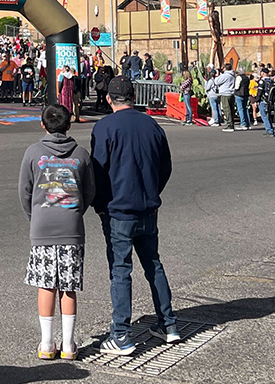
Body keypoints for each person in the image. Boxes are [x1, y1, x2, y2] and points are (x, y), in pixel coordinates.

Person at [91, 77, 179, 354]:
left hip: (118, 208)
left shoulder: (105, 127)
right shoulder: (152, 125)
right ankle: (169, 323)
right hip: (147, 205)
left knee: (120, 270)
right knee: (153, 264)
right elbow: (165, 166)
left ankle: (121, 333)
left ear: (109, 99)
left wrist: (100, 204)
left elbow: (98, 172)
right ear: (133, 96)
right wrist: (152, 191)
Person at [19, 104, 95, 361]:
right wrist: (75, 212)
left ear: (43, 125)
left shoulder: (33, 152)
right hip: (71, 226)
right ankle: (69, 344)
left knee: (46, 284)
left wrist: (35, 216)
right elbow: (89, 191)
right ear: (69, 125)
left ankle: (46, 342)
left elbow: (24, 191)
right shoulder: (81, 154)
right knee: (69, 287)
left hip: (42, 226)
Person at [216, 63, 236, 132]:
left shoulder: (225, 75)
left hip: (225, 93)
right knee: (231, 109)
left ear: (225, 68)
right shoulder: (233, 75)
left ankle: (229, 124)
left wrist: (219, 74)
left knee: (226, 109)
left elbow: (216, 82)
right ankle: (232, 123)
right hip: (231, 93)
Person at [256, 73, 275, 137]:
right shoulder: (271, 81)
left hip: (263, 100)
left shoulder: (262, 81)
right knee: (268, 116)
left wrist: (257, 100)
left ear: (263, 73)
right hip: (269, 101)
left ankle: (269, 130)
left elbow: (259, 92)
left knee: (264, 116)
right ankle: (271, 130)